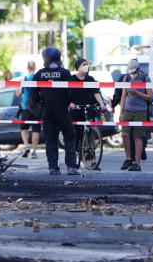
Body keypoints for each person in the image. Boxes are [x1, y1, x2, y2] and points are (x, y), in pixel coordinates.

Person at [31, 47, 79, 176]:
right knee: (69, 136)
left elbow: (33, 92)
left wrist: (41, 102)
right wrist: (67, 100)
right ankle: (71, 167)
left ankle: (53, 167)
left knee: (51, 139)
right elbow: (71, 91)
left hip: (47, 109)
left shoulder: (40, 73)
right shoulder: (64, 72)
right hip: (62, 109)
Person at [70, 58, 107, 168]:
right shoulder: (72, 79)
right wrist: (70, 103)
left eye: (87, 64)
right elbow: (67, 94)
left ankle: (93, 160)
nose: (86, 66)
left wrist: (101, 104)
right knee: (76, 134)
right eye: (83, 64)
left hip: (88, 108)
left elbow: (96, 93)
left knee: (90, 134)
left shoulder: (90, 79)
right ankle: (76, 157)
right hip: (76, 109)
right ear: (78, 66)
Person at [119, 59, 153, 172]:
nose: (132, 75)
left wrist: (137, 93)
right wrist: (121, 111)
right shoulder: (126, 78)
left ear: (138, 69)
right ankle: (128, 158)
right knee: (124, 134)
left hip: (140, 111)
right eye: (130, 72)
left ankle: (137, 162)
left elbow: (150, 97)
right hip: (128, 110)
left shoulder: (145, 78)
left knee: (137, 137)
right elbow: (123, 96)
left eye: (133, 72)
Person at [16, 60, 40, 159]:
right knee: (36, 130)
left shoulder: (23, 78)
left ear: (27, 68)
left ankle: (26, 146)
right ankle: (34, 151)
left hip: (26, 107)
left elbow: (18, 93)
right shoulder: (38, 78)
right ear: (35, 68)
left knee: (24, 128)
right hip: (36, 107)